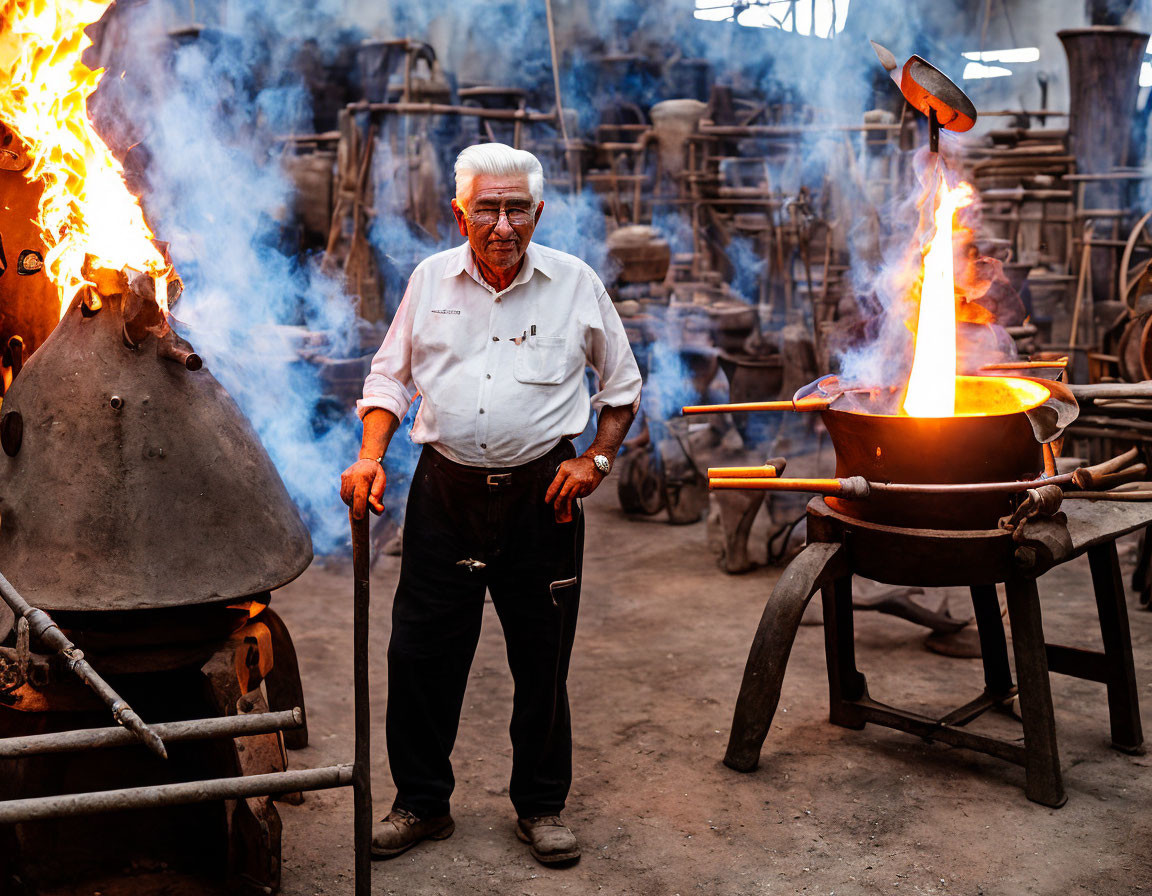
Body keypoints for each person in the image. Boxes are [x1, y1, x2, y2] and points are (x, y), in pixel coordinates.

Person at [340, 143, 642, 866]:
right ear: (460, 212)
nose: (502, 224)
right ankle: (420, 803)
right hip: (445, 493)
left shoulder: (573, 283)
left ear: (538, 213)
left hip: (545, 500)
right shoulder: (429, 280)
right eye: (486, 208)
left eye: (516, 210)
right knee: (419, 656)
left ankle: (540, 807)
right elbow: (389, 380)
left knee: (543, 659)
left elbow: (622, 388)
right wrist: (370, 456)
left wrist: (595, 460)